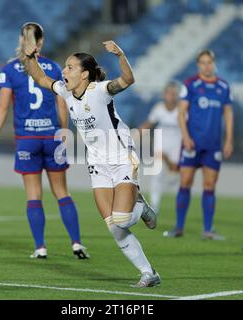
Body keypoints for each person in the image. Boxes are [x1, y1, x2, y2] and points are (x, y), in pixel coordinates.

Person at [23, 39, 161, 287]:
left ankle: (143, 209)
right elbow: (41, 79)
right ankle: (149, 273)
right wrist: (31, 58)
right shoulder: (65, 92)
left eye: (70, 67)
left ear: (85, 74)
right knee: (113, 226)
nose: (63, 71)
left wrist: (121, 54)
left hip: (121, 157)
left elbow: (128, 80)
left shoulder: (100, 90)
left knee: (122, 220)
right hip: (97, 162)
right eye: (64, 67)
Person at [0, 22, 89, 260]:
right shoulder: (54, 67)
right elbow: (61, 103)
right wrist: (63, 133)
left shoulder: (10, 69)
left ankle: (41, 247)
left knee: (34, 195)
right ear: (41, 42)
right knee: (62, 192)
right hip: (51, 136)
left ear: (22, 41)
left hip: (27, 139)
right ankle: (76, 244)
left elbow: (3, 106)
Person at [164, 49, 234, 239]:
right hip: (192, 143)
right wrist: (186, 137)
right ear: (198, 65)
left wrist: (228, 140)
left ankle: (208, 230)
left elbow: (228, 113)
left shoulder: (223, 87)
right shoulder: (191, 85)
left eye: (209, 62)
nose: (206, 66)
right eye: (202, 62)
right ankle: (178, 228)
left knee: (209, 185)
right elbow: (181, 112)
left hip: (213, 145)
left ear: (214, 63)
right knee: (185, 182)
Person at [139, 81, 181, 213]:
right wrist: (138, 132)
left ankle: (180, 208)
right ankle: (154, 206)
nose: (170, 96)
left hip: (176, 143)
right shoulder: (159, 108)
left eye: (173, 93)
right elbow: (150, 122)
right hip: (161, 141)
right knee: (157, 174)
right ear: (164, 94)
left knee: (174, 178)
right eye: (168, 93)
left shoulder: (182, 109)